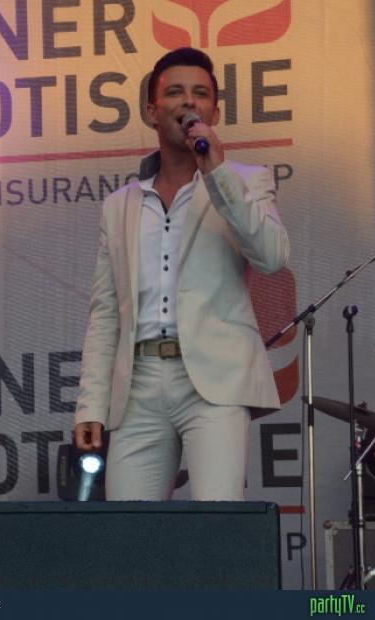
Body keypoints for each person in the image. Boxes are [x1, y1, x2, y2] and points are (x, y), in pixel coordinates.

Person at [74, 47, 289, 501]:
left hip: (215, 383)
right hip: (138, 386)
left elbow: (272, 257)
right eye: (174, 92)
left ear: (215, 112)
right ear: (152, 112)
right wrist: (91, 404)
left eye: (200, 94)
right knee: (131, 533)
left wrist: (217, 172)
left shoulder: (246, 181)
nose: (188, 102)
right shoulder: (119, 205)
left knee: (217, 522)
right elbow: (106, 312)